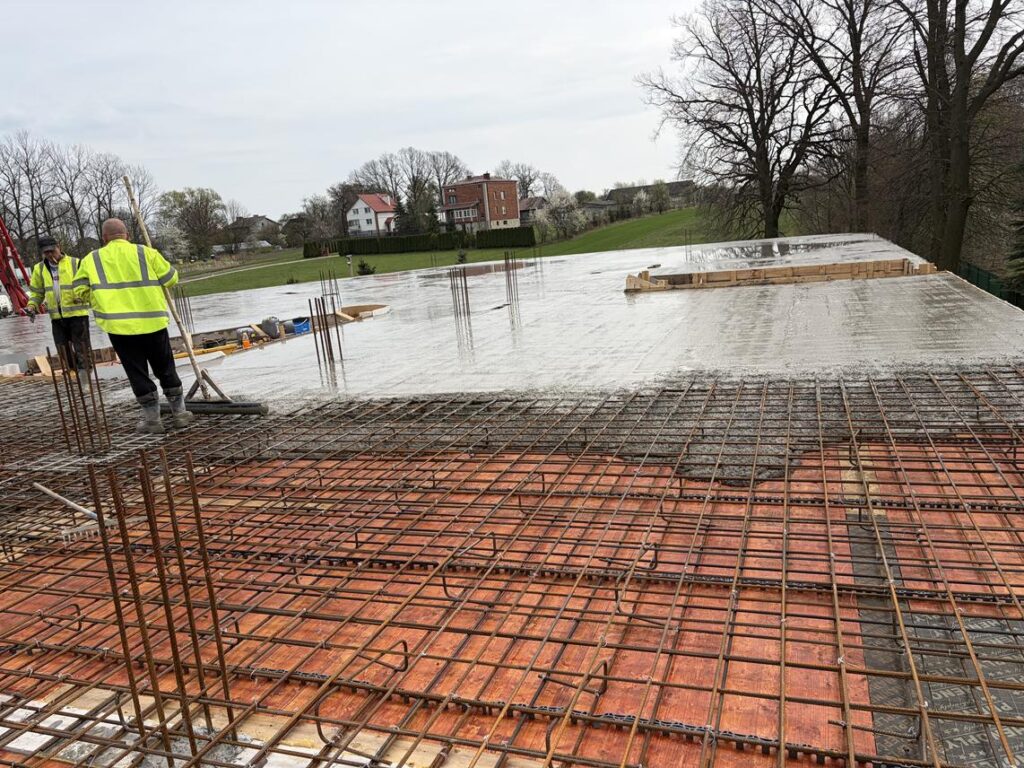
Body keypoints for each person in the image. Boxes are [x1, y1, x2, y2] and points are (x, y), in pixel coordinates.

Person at [73, 218, 194, 433]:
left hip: (119, 327)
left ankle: (152, 420)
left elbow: (79, 291)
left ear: (104, 238)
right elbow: (171, 278)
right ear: (127, 235)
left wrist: (101, 300)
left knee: (137, 371)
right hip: (153, 322)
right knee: (165, 367)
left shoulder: (91, 259)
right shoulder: (146, 252)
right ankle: (180, 413)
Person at [26, 236, 92, 379]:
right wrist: (32, 306)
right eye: (46, 252)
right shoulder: (40, 268)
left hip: (77, 315)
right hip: (57, 317)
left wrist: (83, 296)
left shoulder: (76, 263)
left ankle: (85, 377)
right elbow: (37, 292)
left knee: (82, 349)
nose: (50, 255)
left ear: (59, 247)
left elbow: (87, 285)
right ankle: (76, 372)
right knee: (63, 350)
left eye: (52, 251)